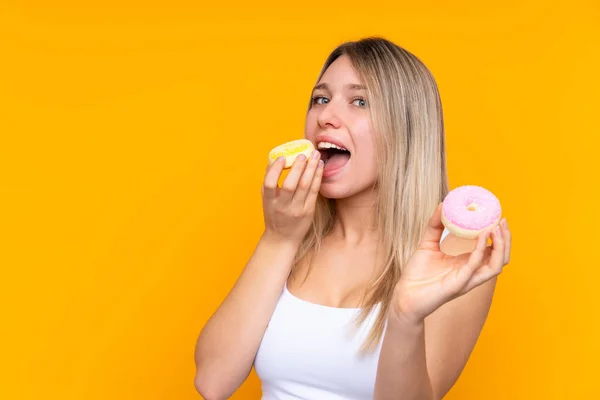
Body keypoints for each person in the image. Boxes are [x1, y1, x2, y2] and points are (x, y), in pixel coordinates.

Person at [194, 36, 512, 400]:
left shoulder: (453, 254)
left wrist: (405, 316)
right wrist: (277, 239)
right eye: (321, 99)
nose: (326, 117)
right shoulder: (294, 238)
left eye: (359, 101)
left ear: (406, 129)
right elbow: (212, 381)